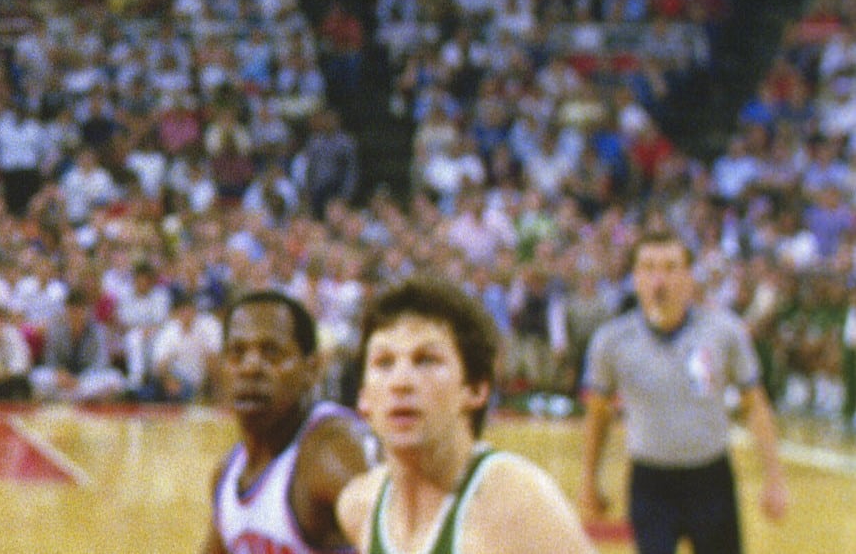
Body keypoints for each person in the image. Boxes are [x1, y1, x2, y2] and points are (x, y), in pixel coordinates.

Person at [335, 279, 591, 554]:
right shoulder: (358, 506)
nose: (401, 382)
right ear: (363, 397)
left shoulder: (516, 502)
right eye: (384, 362)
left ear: (476, 388)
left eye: (426, 360)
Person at [581, 226, 789, 554]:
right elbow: (598, 413)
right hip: (650, 484)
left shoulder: (724, 332)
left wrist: (774, 478)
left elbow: (755, 404)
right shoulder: (611, 341)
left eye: (670, 267)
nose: (659, 279)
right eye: (648, 268)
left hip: (711, 481)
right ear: (634, 277)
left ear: (689, 276)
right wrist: (589, 480)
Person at [201, 289, 371, 554]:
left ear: (311, 369)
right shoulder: (227, 473)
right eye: (237, 353)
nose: (250, 367)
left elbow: (408, 539)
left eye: (271, 353)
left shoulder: (332, 451)